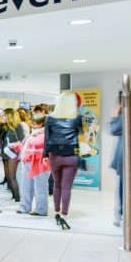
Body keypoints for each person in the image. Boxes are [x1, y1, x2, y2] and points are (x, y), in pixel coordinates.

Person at [43, 92, 83, 230]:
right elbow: (80, 133)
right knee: (67, 187)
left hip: (55, 155)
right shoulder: (77, 118)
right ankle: (64, 216)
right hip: (71, 155)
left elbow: (46, 139)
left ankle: (56, 212)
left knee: (57, 186)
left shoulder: (49, 118)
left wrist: (44, 155)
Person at [110, 90, 131, 231]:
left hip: (126, 160)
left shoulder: (124, 116)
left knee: (124, 189)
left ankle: (121, 216)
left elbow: (113, 130)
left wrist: (116, 116)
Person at [12, 113, 50, 216]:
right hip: (28, 162)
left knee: (40, 187)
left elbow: (51, 151)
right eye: (32, 123)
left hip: (41, 164)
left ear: (41, 123)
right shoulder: (32, 133)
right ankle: (25, 207)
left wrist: (36, 152)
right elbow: (26, 146)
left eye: (34, 123)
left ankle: (41, 209)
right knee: (26, 186)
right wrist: (17, 146)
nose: (32, 125)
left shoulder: (48, 134)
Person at [0, 108, 27, 202]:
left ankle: (17, 199)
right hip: (5, 153)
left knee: (12, 177)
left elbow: (22, 140)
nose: (1, 117)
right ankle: (14, 196)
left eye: (3, 115)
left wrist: (15, 144)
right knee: (8, 177)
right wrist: (1, 123)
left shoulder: (18, 126)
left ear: (9, 115)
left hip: (13, 154)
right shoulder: (5, 126)